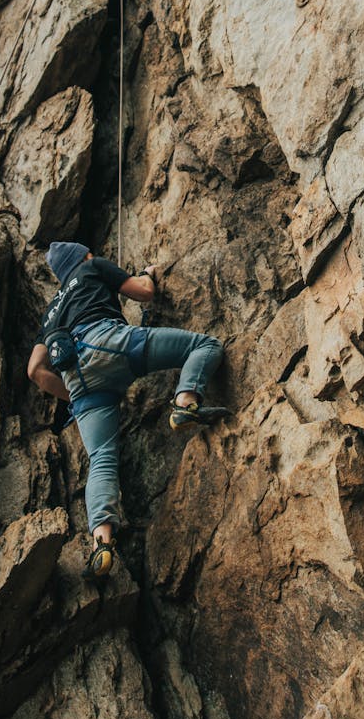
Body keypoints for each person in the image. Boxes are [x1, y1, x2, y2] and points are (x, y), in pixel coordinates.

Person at [27, 241, 227, 581]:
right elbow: (144, 293)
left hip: (79, 381)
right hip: (109, 344)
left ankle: (102, 543)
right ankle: (184, 404)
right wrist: (147, 275)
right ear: (84, 256)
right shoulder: (93, 267)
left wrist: (73, 398)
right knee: (205, 346)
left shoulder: (50, 311)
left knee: (102, 459)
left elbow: (35, 370)